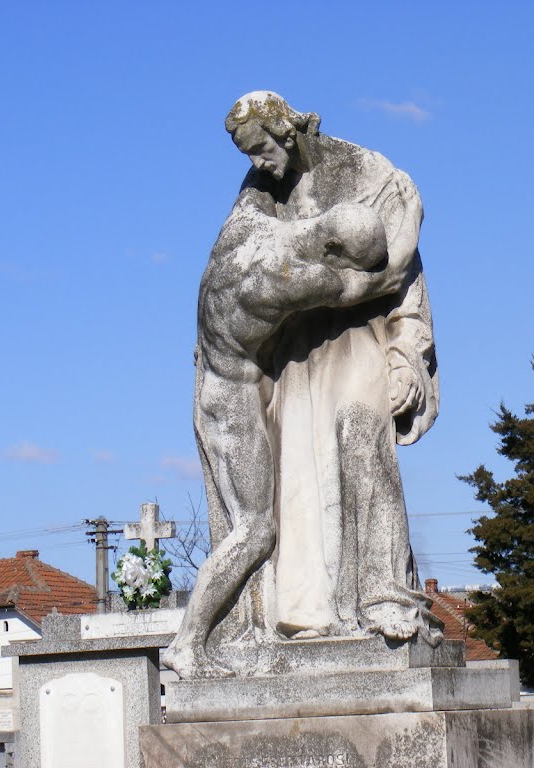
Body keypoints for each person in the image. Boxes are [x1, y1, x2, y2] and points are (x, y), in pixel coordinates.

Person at [166, 92, 441, 679]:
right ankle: (299, 615)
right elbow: (240, 275)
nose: (260, 164)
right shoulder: (258, 197)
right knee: (290, 492)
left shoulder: (373, 177)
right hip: (287, 364)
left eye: (263, 148)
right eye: (250, 154)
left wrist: (404, 361)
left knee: (361, 441)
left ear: (287, 131)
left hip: (357, 345)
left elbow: (403, 285)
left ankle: (382, 595)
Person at [163, 202, 394, 677]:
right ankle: (187, 642)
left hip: (214, 390)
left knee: (248, 529)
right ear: (331, 248)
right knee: (254, 531)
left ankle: (194, 642)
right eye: (347, 257)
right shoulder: (291, 278)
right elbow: (373, 285)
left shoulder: (247, 224)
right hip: (234, 403)